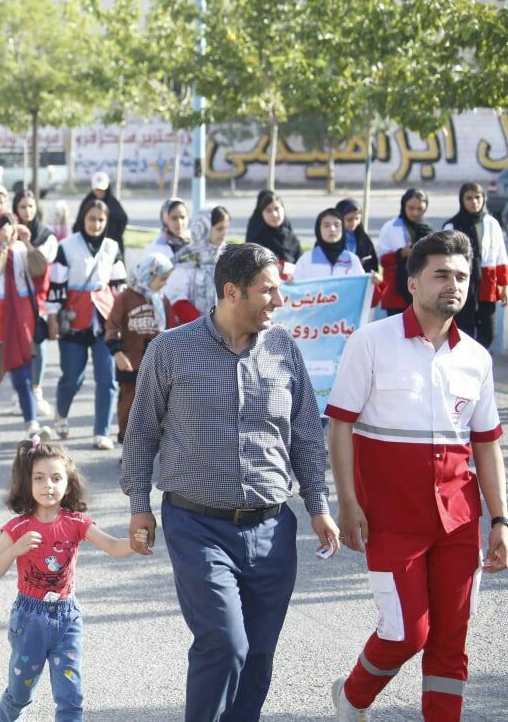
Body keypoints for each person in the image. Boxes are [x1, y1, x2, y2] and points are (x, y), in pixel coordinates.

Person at [122, 243, 339, 722]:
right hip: (197, 525)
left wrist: (319, 506)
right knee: (224, 643)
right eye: (269, 291)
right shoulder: (171, 350)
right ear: (231, 291)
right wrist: (140, 503)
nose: (279, 301)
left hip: (272, 529)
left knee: (258, 656)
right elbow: (141, 433)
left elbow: (304, 432)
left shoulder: (284, 348)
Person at [326, 230, 506, 722]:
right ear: (412, 282)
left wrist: (500, 521)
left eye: (462, 277)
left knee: (451, 639)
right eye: (441, 274)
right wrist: (347, 501)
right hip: (390, 518)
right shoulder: (371, 342)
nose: (453, 284)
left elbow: (487, 444)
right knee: (407, 632)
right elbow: (340, 424)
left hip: (458, 521)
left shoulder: (476, 357)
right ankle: (353, 696)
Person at [0, 438, 142, 722]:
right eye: (39, 478)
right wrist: (14, 549)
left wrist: (134, 542)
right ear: (27, 482)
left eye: (56, 478)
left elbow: (113, 546)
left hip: (67, 619)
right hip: (28, 620)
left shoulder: (77, 522)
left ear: (68, 483)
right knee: (20, 693)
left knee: (71, 698)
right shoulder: (17, 527)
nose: (48, 485)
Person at [46, 196, 121, 447]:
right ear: (82, 219)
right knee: (72, 378)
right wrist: (53, 318)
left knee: (107, 378)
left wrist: (122, 319)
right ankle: (62, 412)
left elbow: (119, 287)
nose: (96, 224)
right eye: (91, 219)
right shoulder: (66, 247)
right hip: (74, 321)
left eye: (101, 220)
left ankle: (102, 432)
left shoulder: (112, 247)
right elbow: (56, 286)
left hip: (104, 321)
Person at [0, 211, 49, 449]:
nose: (8, 230)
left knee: (23, 378)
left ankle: (32, 425)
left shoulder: (21, 249)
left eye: (11, 226)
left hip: (18, 323)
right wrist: (3, 245)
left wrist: (26, 242)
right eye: (3, 227)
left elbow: (39, 268)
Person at [105, 253, 174, 445]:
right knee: (129, 405)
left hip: (156, 364)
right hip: (130, 362)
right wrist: (117, 353)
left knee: (156, 407)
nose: (164, 284)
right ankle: (128, 444)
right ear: (149, 275)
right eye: (162, 279)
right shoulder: (125, 298)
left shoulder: (162, 300)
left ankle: (151, 446)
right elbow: (112, 327)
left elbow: (169, 331)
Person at [443, 181, 508, 347]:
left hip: (487, 282)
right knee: (464, 329)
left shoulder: (491, 223)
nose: (474, 202)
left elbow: (500, 254)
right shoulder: (452, 225)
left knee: (489, 332)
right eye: (469, 198)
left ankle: (480, 362)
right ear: (462, 200)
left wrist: (505, 285)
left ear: (483, 199)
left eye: (478, 197)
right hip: (462, 284)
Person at [14, 189, 60, 420]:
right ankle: (20, 391)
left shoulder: (46, 236)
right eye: (22, 207)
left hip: (39, 300)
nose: (27, 211)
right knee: (19, 347)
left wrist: (27, 243)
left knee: (38, 347)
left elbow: (38, 267)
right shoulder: (7, 233)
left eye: (31, 206)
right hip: (15, 299)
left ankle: (37, 390)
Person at [163, 206, 232, 325]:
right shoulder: (186, 259)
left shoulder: (227, 257)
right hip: (192, 330)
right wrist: (203, 326)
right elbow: (176, 296)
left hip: (226, 329)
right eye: (219, 228)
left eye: (226, 228)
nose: (224, 233)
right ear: (204, 228)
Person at [377, 188, 432, 316]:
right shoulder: (390, 227)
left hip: (421, 291)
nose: (415, 212)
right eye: (411, 208)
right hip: (396, 291)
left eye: (420, 209)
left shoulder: (428, 229)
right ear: (403, 205)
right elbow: (382, 260)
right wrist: (401, 254)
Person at [292, 208, 365, 282]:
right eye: (326, 226)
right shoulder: (306, 260)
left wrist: (374, 282)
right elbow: (295, 288)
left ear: (342, 229)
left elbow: (363, 286)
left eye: (337, 225)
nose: (332, 229)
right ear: (318, 230)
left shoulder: (352, 259)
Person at [245, 190, 302, 278]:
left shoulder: (292, 239)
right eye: (268, 211)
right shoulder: (257, 243)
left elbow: (302, 266)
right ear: (262, 214)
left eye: (277, 209)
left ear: (283, 209)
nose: (274, 214)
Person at [78, 172, 127, 268]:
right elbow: (78, 224)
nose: (99, 192)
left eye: (102, 190)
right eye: (97, 189)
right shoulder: (86, 203)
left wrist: (111, 235)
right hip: (86, 248)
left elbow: (122, 221)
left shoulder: (114, 204)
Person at [336, 198, 382, 286]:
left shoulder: (363, 238)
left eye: (357, 218)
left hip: (359, 286)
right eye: (349, 219)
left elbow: (372, 264)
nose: (354, 223)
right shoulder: (331, 238)